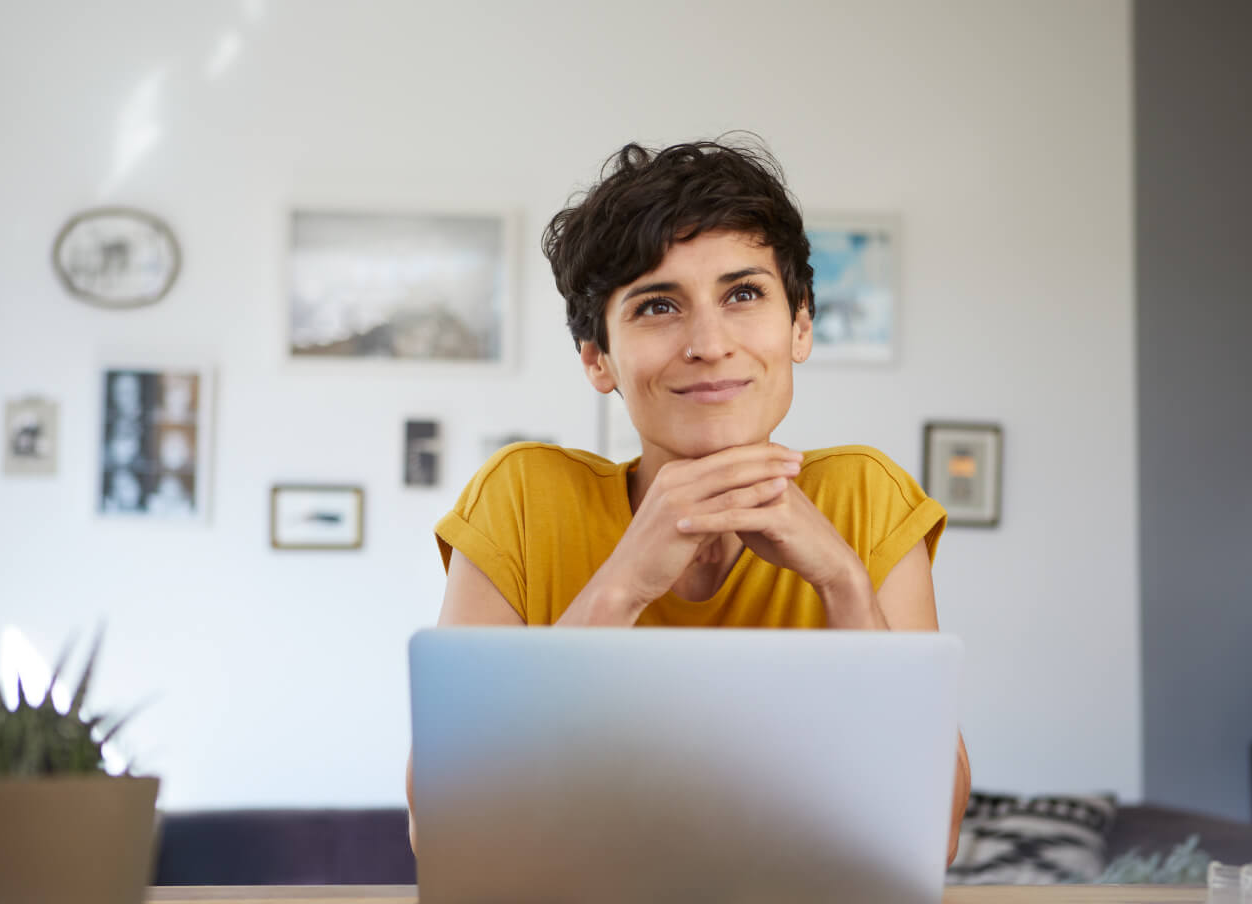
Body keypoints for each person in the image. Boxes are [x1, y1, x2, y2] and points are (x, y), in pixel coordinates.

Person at [409, 137, 971, 863]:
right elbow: (444, 830)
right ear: (597, 357)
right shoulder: (521, 498)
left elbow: (934, 835)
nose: (709, 342)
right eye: (657, 306)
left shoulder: (866, 498)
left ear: (800, 325)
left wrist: (844, 585)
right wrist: (621, 586)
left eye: (743, 294)